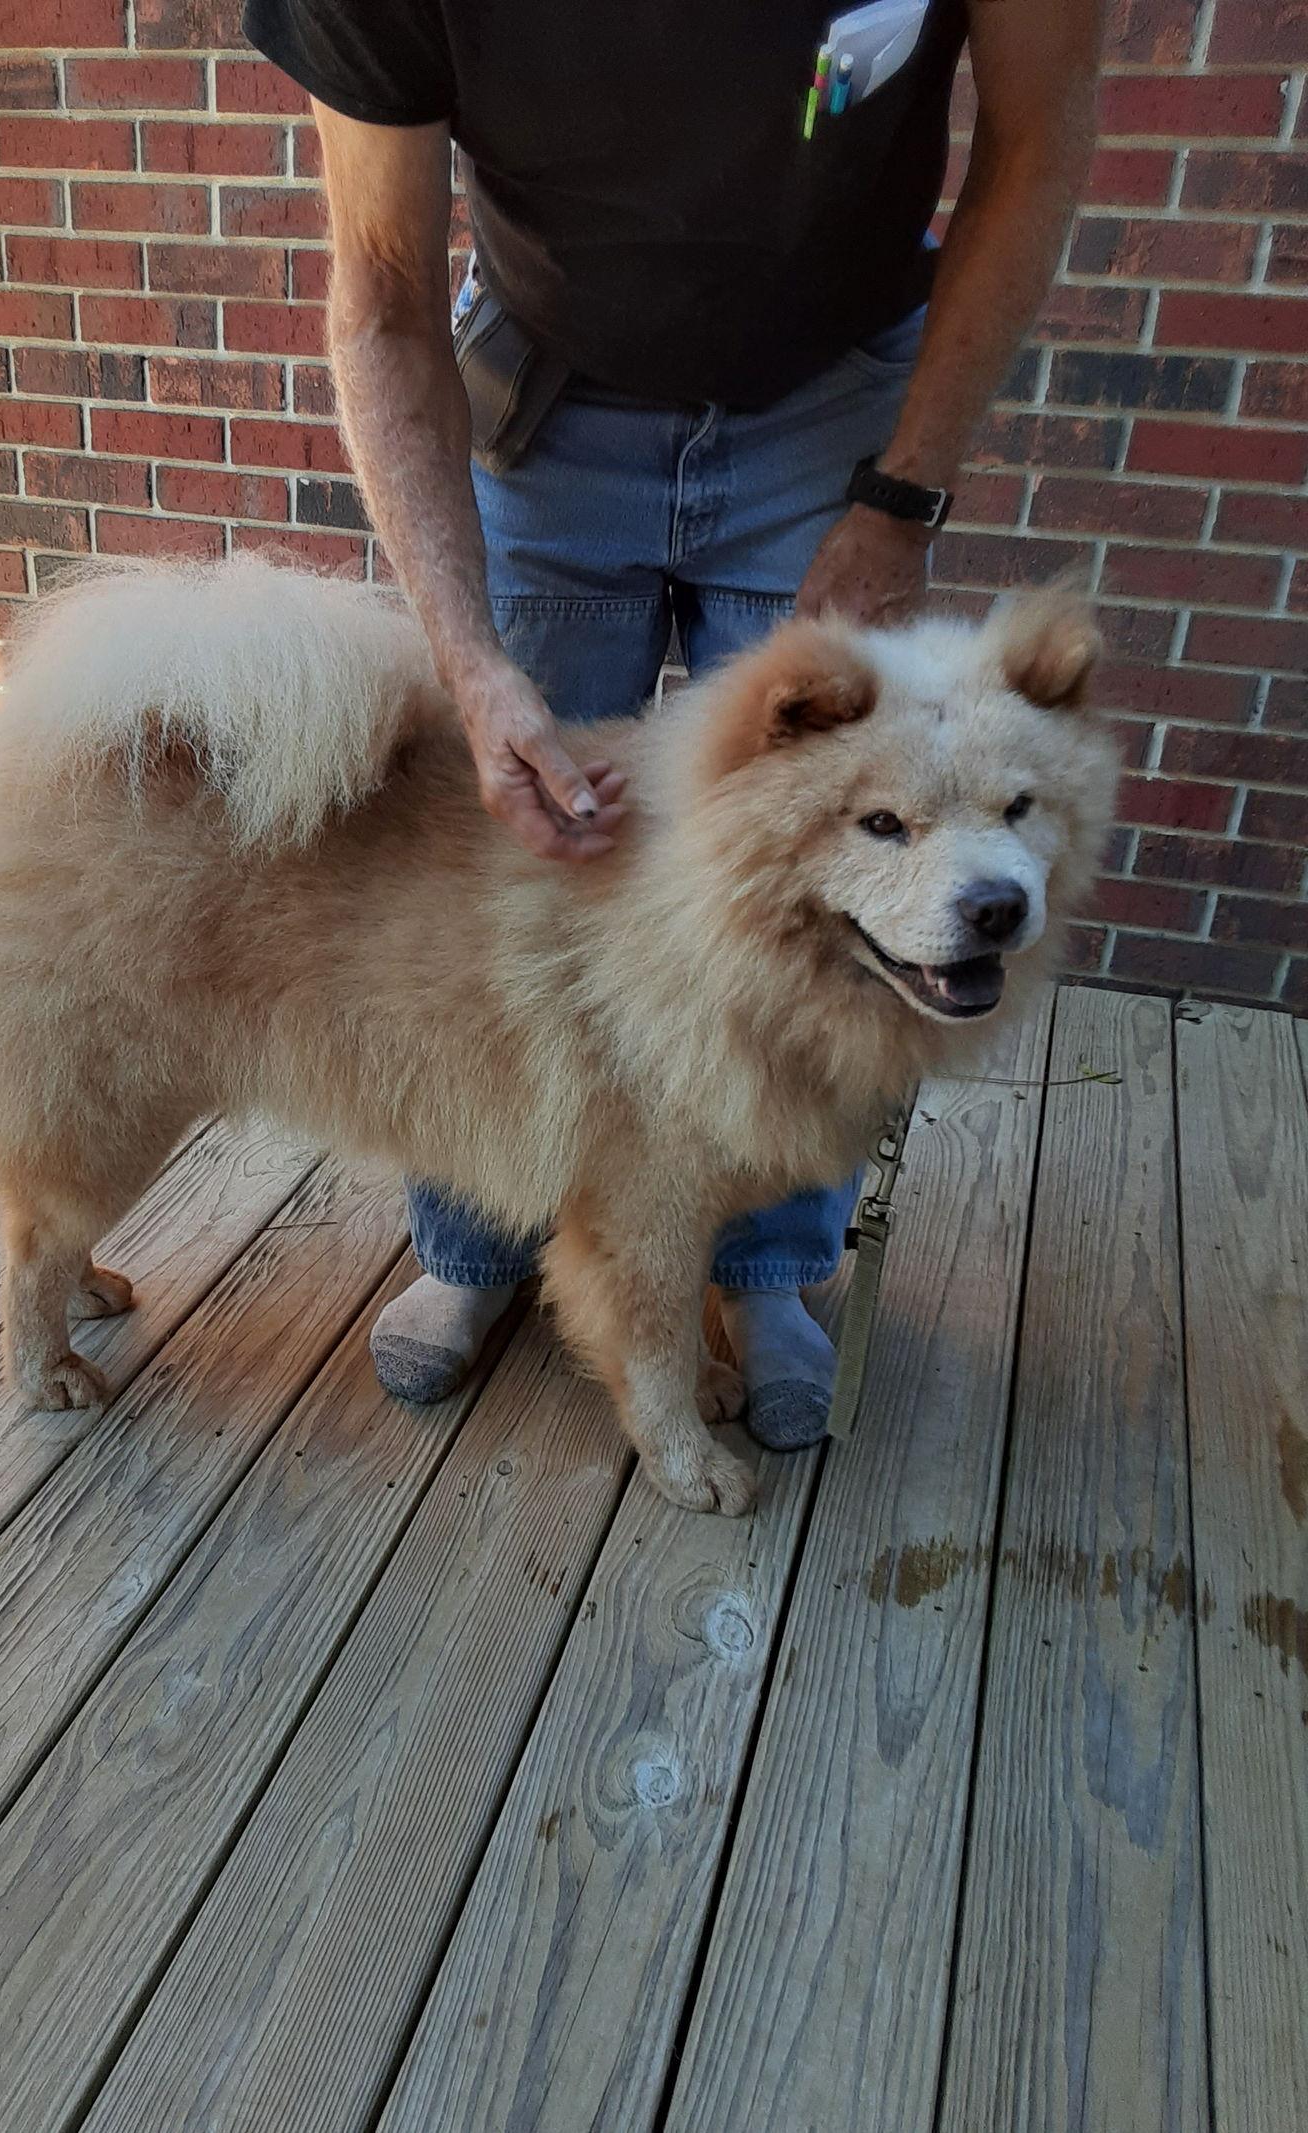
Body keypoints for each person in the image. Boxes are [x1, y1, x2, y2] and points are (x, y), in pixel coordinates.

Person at [243, 0, 1103, 1445]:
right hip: (543, 388)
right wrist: (464, 657)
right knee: (491, 863)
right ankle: (477, 1242)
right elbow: (383, 284)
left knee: (838, 880)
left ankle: (765, 1269)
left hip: (835, 401)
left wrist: (902, 497)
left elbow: (1037, 150)